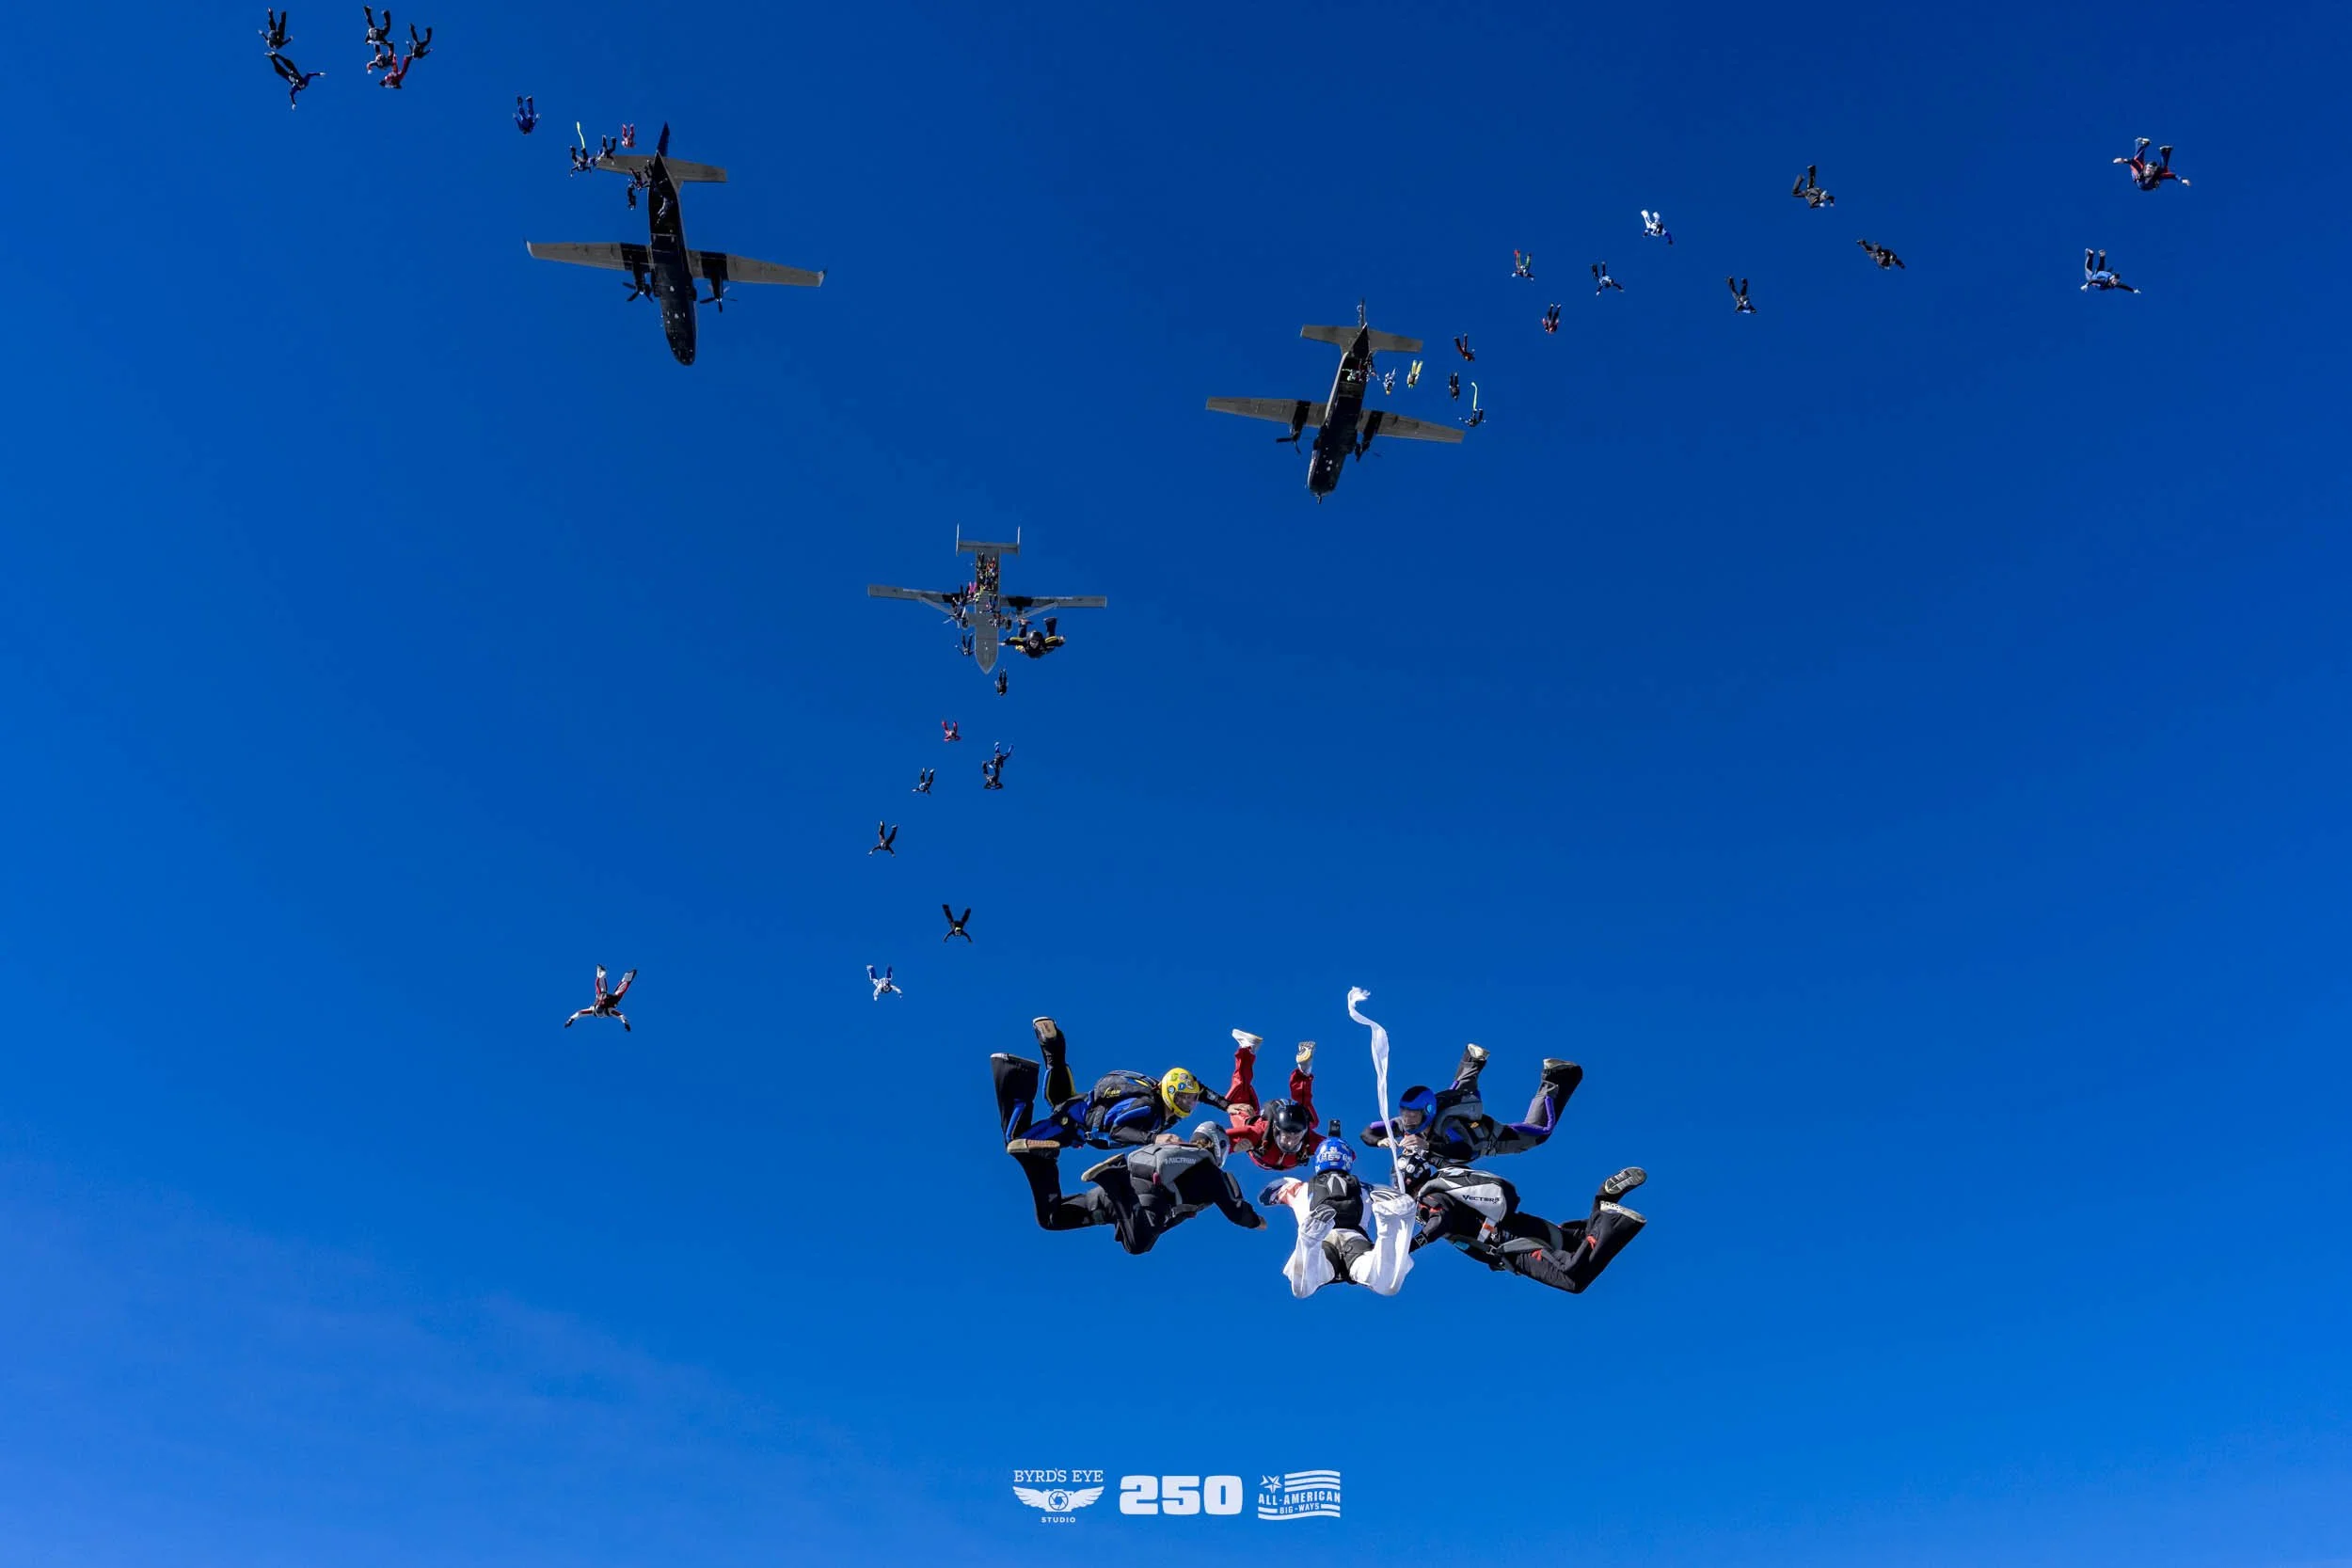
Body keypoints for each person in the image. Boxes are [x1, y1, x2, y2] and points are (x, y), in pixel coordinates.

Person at [1404, 1156, 1646, 1294]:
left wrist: (1409, 1247)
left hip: (1509, 1244)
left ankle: (1611, 1217)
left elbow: (1440, 1221)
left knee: (1572, 1277)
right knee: (1578, 1242)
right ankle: (1604, 1201)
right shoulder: (1446, 1179)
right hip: (1518, 1225)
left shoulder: (1429, 1198)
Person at [1009, 1123, 1264, 1253]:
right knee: (1138, 1243)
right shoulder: (1212, 1172)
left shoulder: (1179, 1153)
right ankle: (1113, 1176)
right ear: (1218, 1147)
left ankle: (1039, 1160)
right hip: (1139, 1194)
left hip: (1121, 1201)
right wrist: (1257, 1222)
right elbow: (1236, 1209)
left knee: (1052, 1218)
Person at [994, 1016, 1224, 1153]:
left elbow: (1198, 1089)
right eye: (1185, 1098)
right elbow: (1117, 1130)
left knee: (1059, 1097)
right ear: (1170, 1093)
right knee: (1015, 1142)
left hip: (1079, 1110)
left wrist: (1225, 1105)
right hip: (1072, 1122)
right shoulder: (1149, 1107)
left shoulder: (1163, 1105)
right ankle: (1013, 1072)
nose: (1190, 1103)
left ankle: (1051, 1042)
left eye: (1192, 1099)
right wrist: (1154, 1139)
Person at [1360, 1043, 1582, 1163]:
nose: (1408, 1120)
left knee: (1540, 1133)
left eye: (1414, 1115)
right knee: (1458, 1091)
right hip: (1461, 1130)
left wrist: (1428, 1146)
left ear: (1427, 1111)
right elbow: (1368, 1132)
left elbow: (1464, 1151)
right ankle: (1473, 1059)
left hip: (1493, 1138)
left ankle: (1558, 1077)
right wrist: (1382, 1142)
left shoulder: (1448, 1126)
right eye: (1405, 1113)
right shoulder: (1404, 1123)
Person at [1261, 1136, 1416, 1295]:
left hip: (1324, 1240)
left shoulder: (1297, 1188)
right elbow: (1399, 1200)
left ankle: (1309, 1243)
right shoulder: (1367, 1188)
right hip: (1356, 1241)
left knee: (1303, 1287)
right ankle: (1387, 1230)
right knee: (1387, 1284)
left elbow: (1265, 1196)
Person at [1223, 1031, 1323, 1170]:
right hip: (1263, 1128)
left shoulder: (1309, 1138)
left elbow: (1341, 1150)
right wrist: (1198, 1146)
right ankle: (1247, 1048)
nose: (1291, 1141)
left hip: (1292, 1119)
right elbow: (1218, 1139)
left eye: (1296, 1136)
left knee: (1309, 1118)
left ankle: (1304, 1072)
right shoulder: (1257, 1133)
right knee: (1239, 1106)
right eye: (1287, 1135)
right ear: (1277, 1130)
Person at [563, 964, 636, 1032]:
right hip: (612, 1000)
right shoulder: (608, 1011)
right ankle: (628, 978)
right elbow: (620, 1016)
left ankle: (601, 973)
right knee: (620, 991)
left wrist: (570, 1020)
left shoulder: (592, 1010)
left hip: (601, 996)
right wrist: (626, 1023)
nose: (599, 1007)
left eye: (599, 1007)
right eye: (601, 1007)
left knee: (599, 986)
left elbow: (579, 1013)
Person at [2115, 136, 2188, 191]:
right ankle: (2164, 151)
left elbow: (2173, 176)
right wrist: (2123, 160)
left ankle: (2143, 144)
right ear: (2146, 168)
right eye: (2149, 168)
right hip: (2143, 182)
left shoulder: (2155, 175)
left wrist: (2182, 180)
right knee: (2138, 162)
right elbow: (2134, 162)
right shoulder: (2141, 171)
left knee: (2162, 170)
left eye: (2151, 169)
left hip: (2147, 184)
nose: (2149, 170)